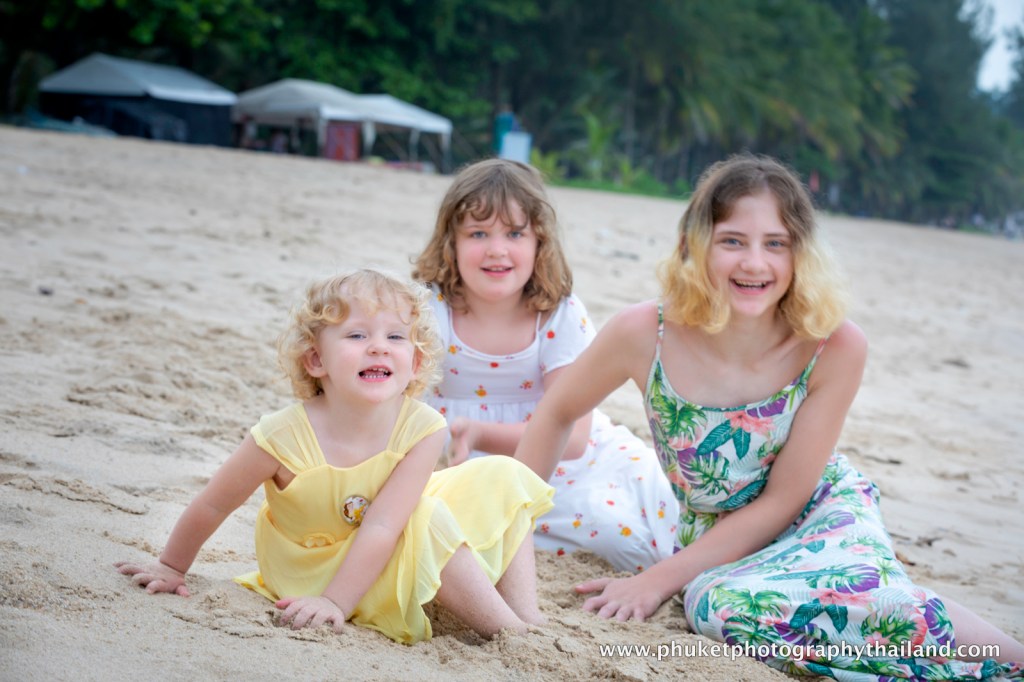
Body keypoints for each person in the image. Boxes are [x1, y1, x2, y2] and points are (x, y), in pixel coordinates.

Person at [513, 155, 1024, 679]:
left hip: (815, 513)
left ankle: (1004, 658)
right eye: (732, 240)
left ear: (801, 253)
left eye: (775, 243)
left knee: (832, 594)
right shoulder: (646, 332)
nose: (755, 263)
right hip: (714, 540)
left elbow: (785, 498)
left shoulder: (835, 345)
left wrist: (659, 579)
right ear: (695, 243)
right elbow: (557, 412)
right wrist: (510, 531)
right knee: (722, 609)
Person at [116, 269, 554, 644]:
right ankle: (507, 634)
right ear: (315, 360)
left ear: (416, 363)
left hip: (381, 547)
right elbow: (214, 503)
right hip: (319, 577)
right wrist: (172, 566)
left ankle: (525, 617)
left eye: (396, 337)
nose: (379, 347)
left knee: (501, 473)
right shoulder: (282, 435)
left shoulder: (423, 427)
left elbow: (385, 523)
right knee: (427, 517)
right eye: (357, 335)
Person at [412, 158, 678, 574]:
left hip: (560, 467)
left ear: (540, 243)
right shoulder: (430, 311)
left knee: (628, 536)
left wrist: (480, 431)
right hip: (454, 463)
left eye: (515, 234)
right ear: (451, 243)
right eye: (478, 233)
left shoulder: (557, 314)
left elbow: (572, 438)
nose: (497, 249)